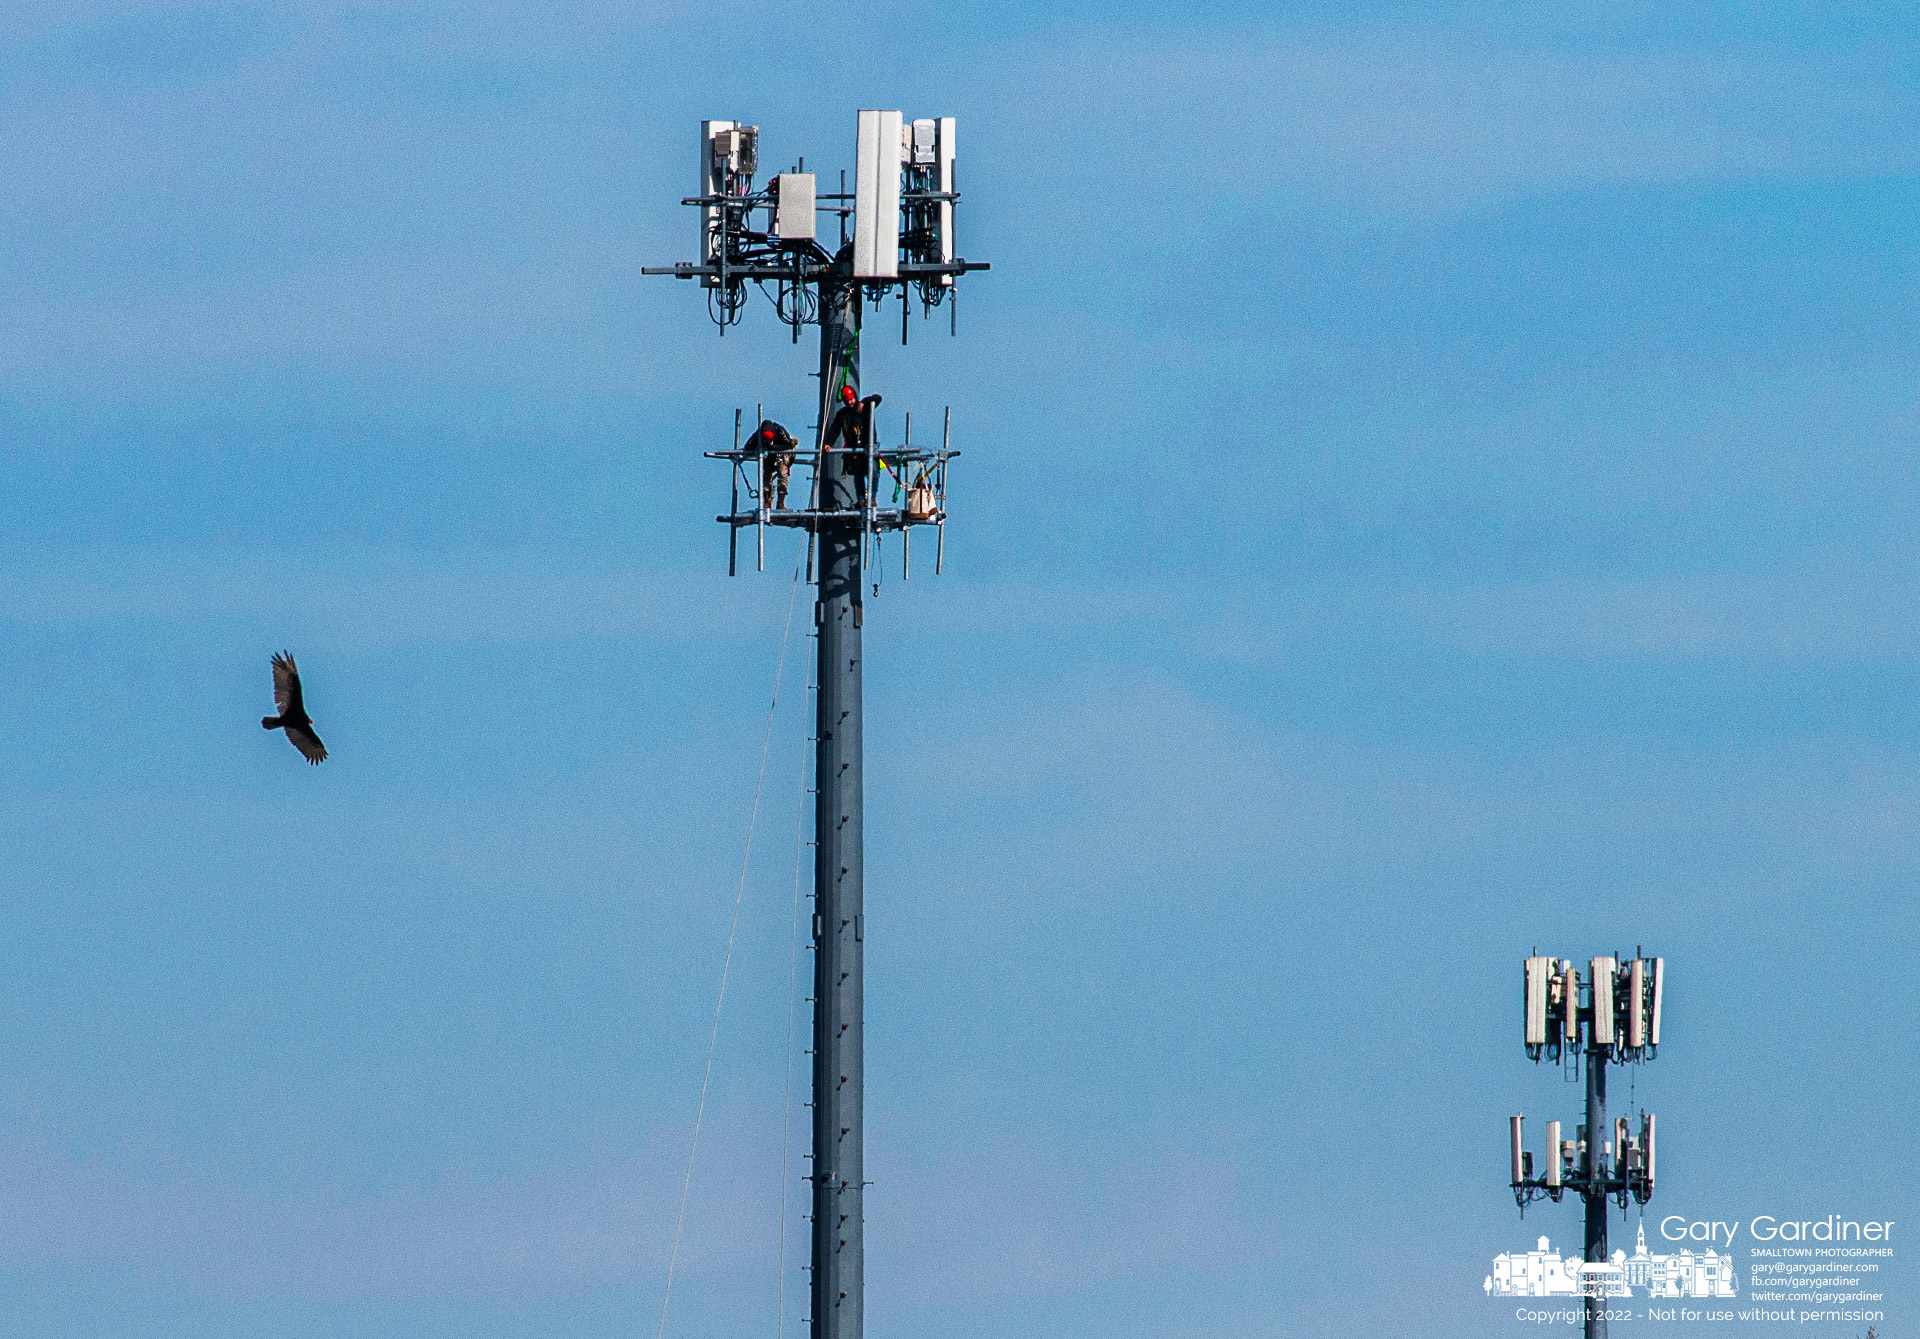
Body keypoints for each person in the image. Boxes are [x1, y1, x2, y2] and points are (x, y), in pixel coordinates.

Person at [823, 383, 882, 505]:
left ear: (855, 397)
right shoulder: (843, 414)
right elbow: (835, 429)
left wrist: (865, 401)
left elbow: (878, 398)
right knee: (858, 474)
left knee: (874, 472)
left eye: (851, 399)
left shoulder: (866, 408)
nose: (850, 402)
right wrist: (829, 443)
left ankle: (872, 498)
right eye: (847, 401)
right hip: (855, 450)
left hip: (869, 447)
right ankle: (861, 500)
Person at [748, 418, 798, 508]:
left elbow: (789, 445)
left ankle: (780, 502)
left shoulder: (780, 430)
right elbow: (748, 446)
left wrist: (774, 447)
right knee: (767, 473)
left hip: (781, 451)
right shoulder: (758, 434)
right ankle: (767, 501)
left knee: (782, 473)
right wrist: (762, 447)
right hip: (768, 453)